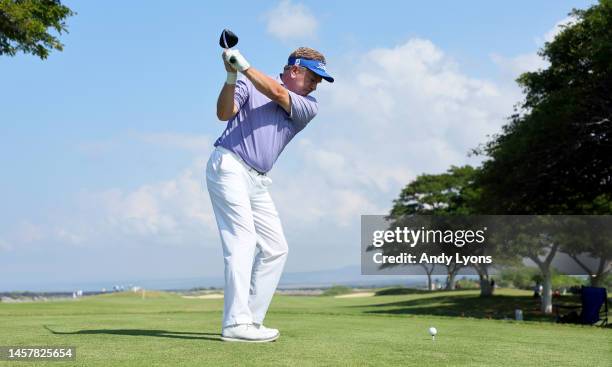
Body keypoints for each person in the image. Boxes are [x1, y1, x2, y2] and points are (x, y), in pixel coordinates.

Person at [206, 46, 334, 342]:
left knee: (277, 248)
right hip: (229, 165)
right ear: (294, 71)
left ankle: (249, 319)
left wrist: (244, 67)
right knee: (243, 240)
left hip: (258, 181)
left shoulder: (307, 105)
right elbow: (223, 113)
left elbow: (277, 93)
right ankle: (236, 324)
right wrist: (230, 75)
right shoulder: (247, 83)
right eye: (313, 78)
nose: (316, 86)